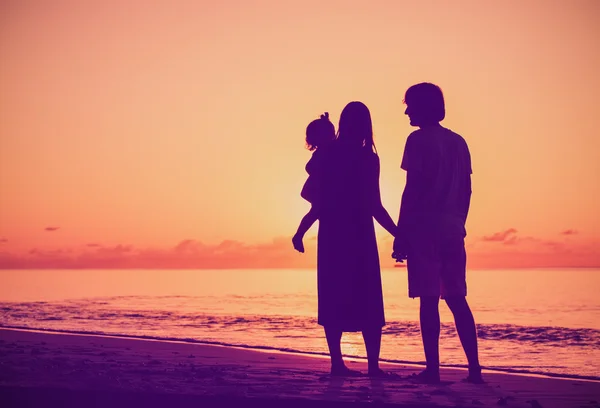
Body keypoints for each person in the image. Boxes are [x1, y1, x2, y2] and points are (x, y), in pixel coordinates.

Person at [294, 101, 397, 377]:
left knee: (332, 295)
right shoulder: (368, 158)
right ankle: (373, 366)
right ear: (367, 126)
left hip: (332, 233)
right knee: (369, 298)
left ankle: (337, 364)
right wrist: (399, 234)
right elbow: (375, 205)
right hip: (360, 233)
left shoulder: (327, 154)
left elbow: (313, 190)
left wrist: (303, 229)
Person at [393, 83, 483, 384]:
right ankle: (474, 369)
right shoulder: (459, 142)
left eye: (409, 105)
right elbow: (467, 190)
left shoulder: (417, 140)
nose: (406, 111)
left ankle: (433, 370)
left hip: (424, 227)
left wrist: (401, 231)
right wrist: (460, 221)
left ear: (422, 107)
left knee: (429, 299)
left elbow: (412, 188)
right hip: (453, 227)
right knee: (457, 298)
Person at [292, 113, 336, 253]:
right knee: (316, 210)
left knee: (316, 211)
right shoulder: (322, 152)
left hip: (318, 189)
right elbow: (309, 167)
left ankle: (298, 235)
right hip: (316, 189)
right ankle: (298, 235)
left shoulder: (327, 151)